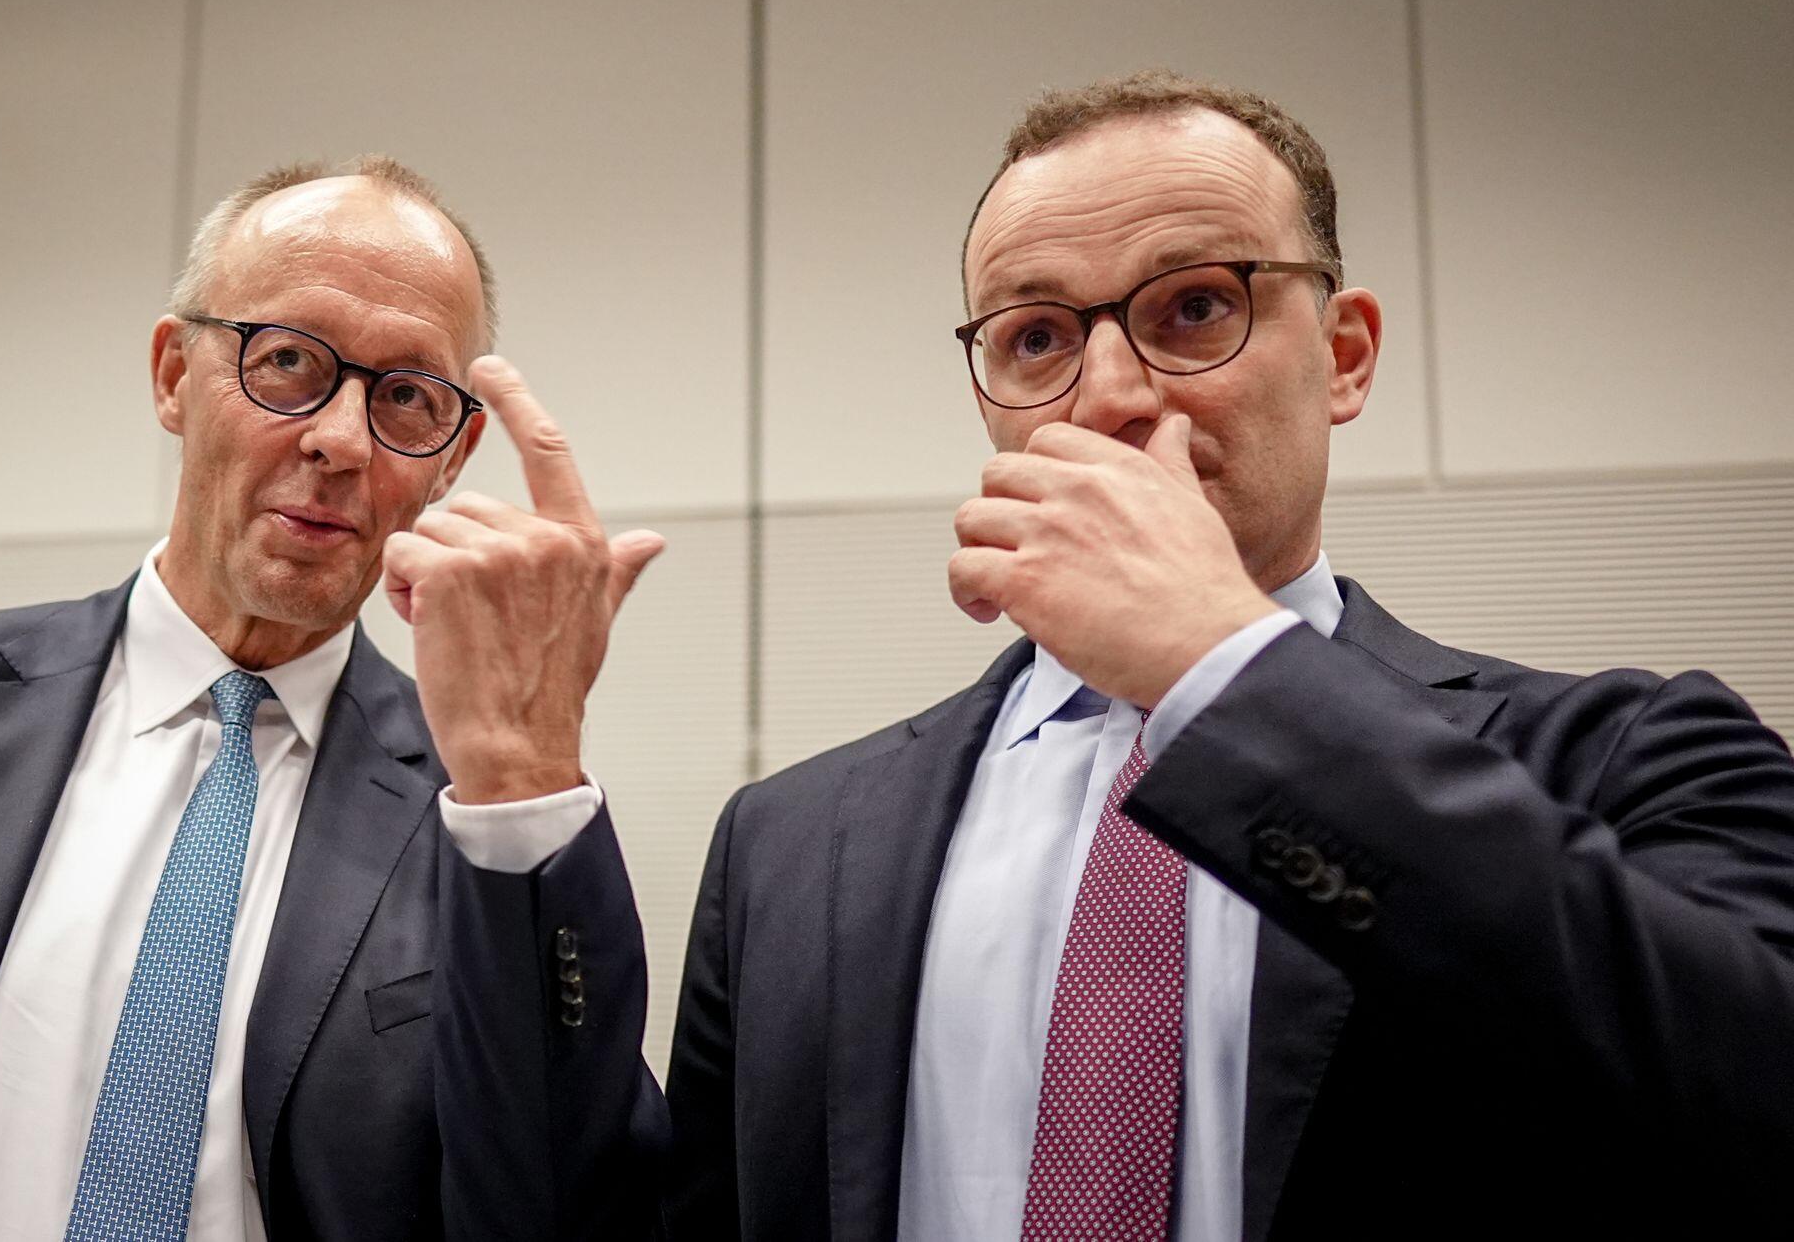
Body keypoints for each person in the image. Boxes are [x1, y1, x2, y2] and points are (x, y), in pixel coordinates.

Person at [659, 70, 1794, 1239]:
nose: (1108, 397)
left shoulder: (1627, 759)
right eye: (1035, 337)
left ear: (1343, 356)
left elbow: (1752, 1108)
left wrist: (1217, 664)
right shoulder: (786, 846)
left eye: (1194, 307)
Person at [0, 155, 666, 1240]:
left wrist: (523, 778)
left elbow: (571, 1204)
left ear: (453, 455)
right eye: (288, 361)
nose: (339, 439)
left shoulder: (478, 816)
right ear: (174, 375)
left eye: (407, 397)